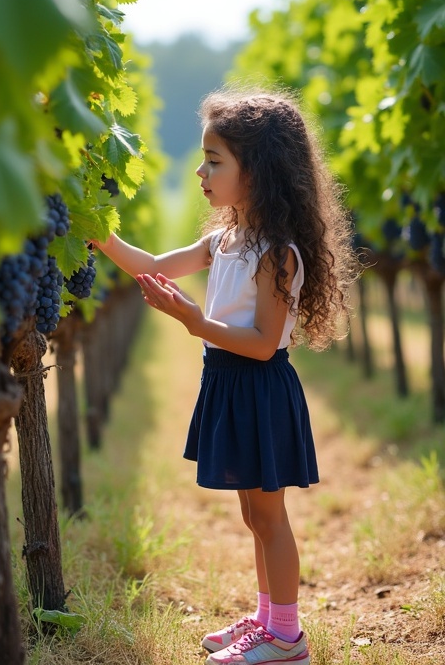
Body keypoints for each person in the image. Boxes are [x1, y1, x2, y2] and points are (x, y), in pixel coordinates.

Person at [91, 85, 356, 665]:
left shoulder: (276, 253)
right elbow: (155, 269)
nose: (200, 171)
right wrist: (102, 237)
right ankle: (267, 620)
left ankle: (287, 638)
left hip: (258, 387)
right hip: (230, 384)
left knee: (269, 515)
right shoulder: (227, 240)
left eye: (215, 161)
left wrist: (194, 320)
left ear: (257, 171)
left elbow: (263, 345)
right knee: (251, 513)